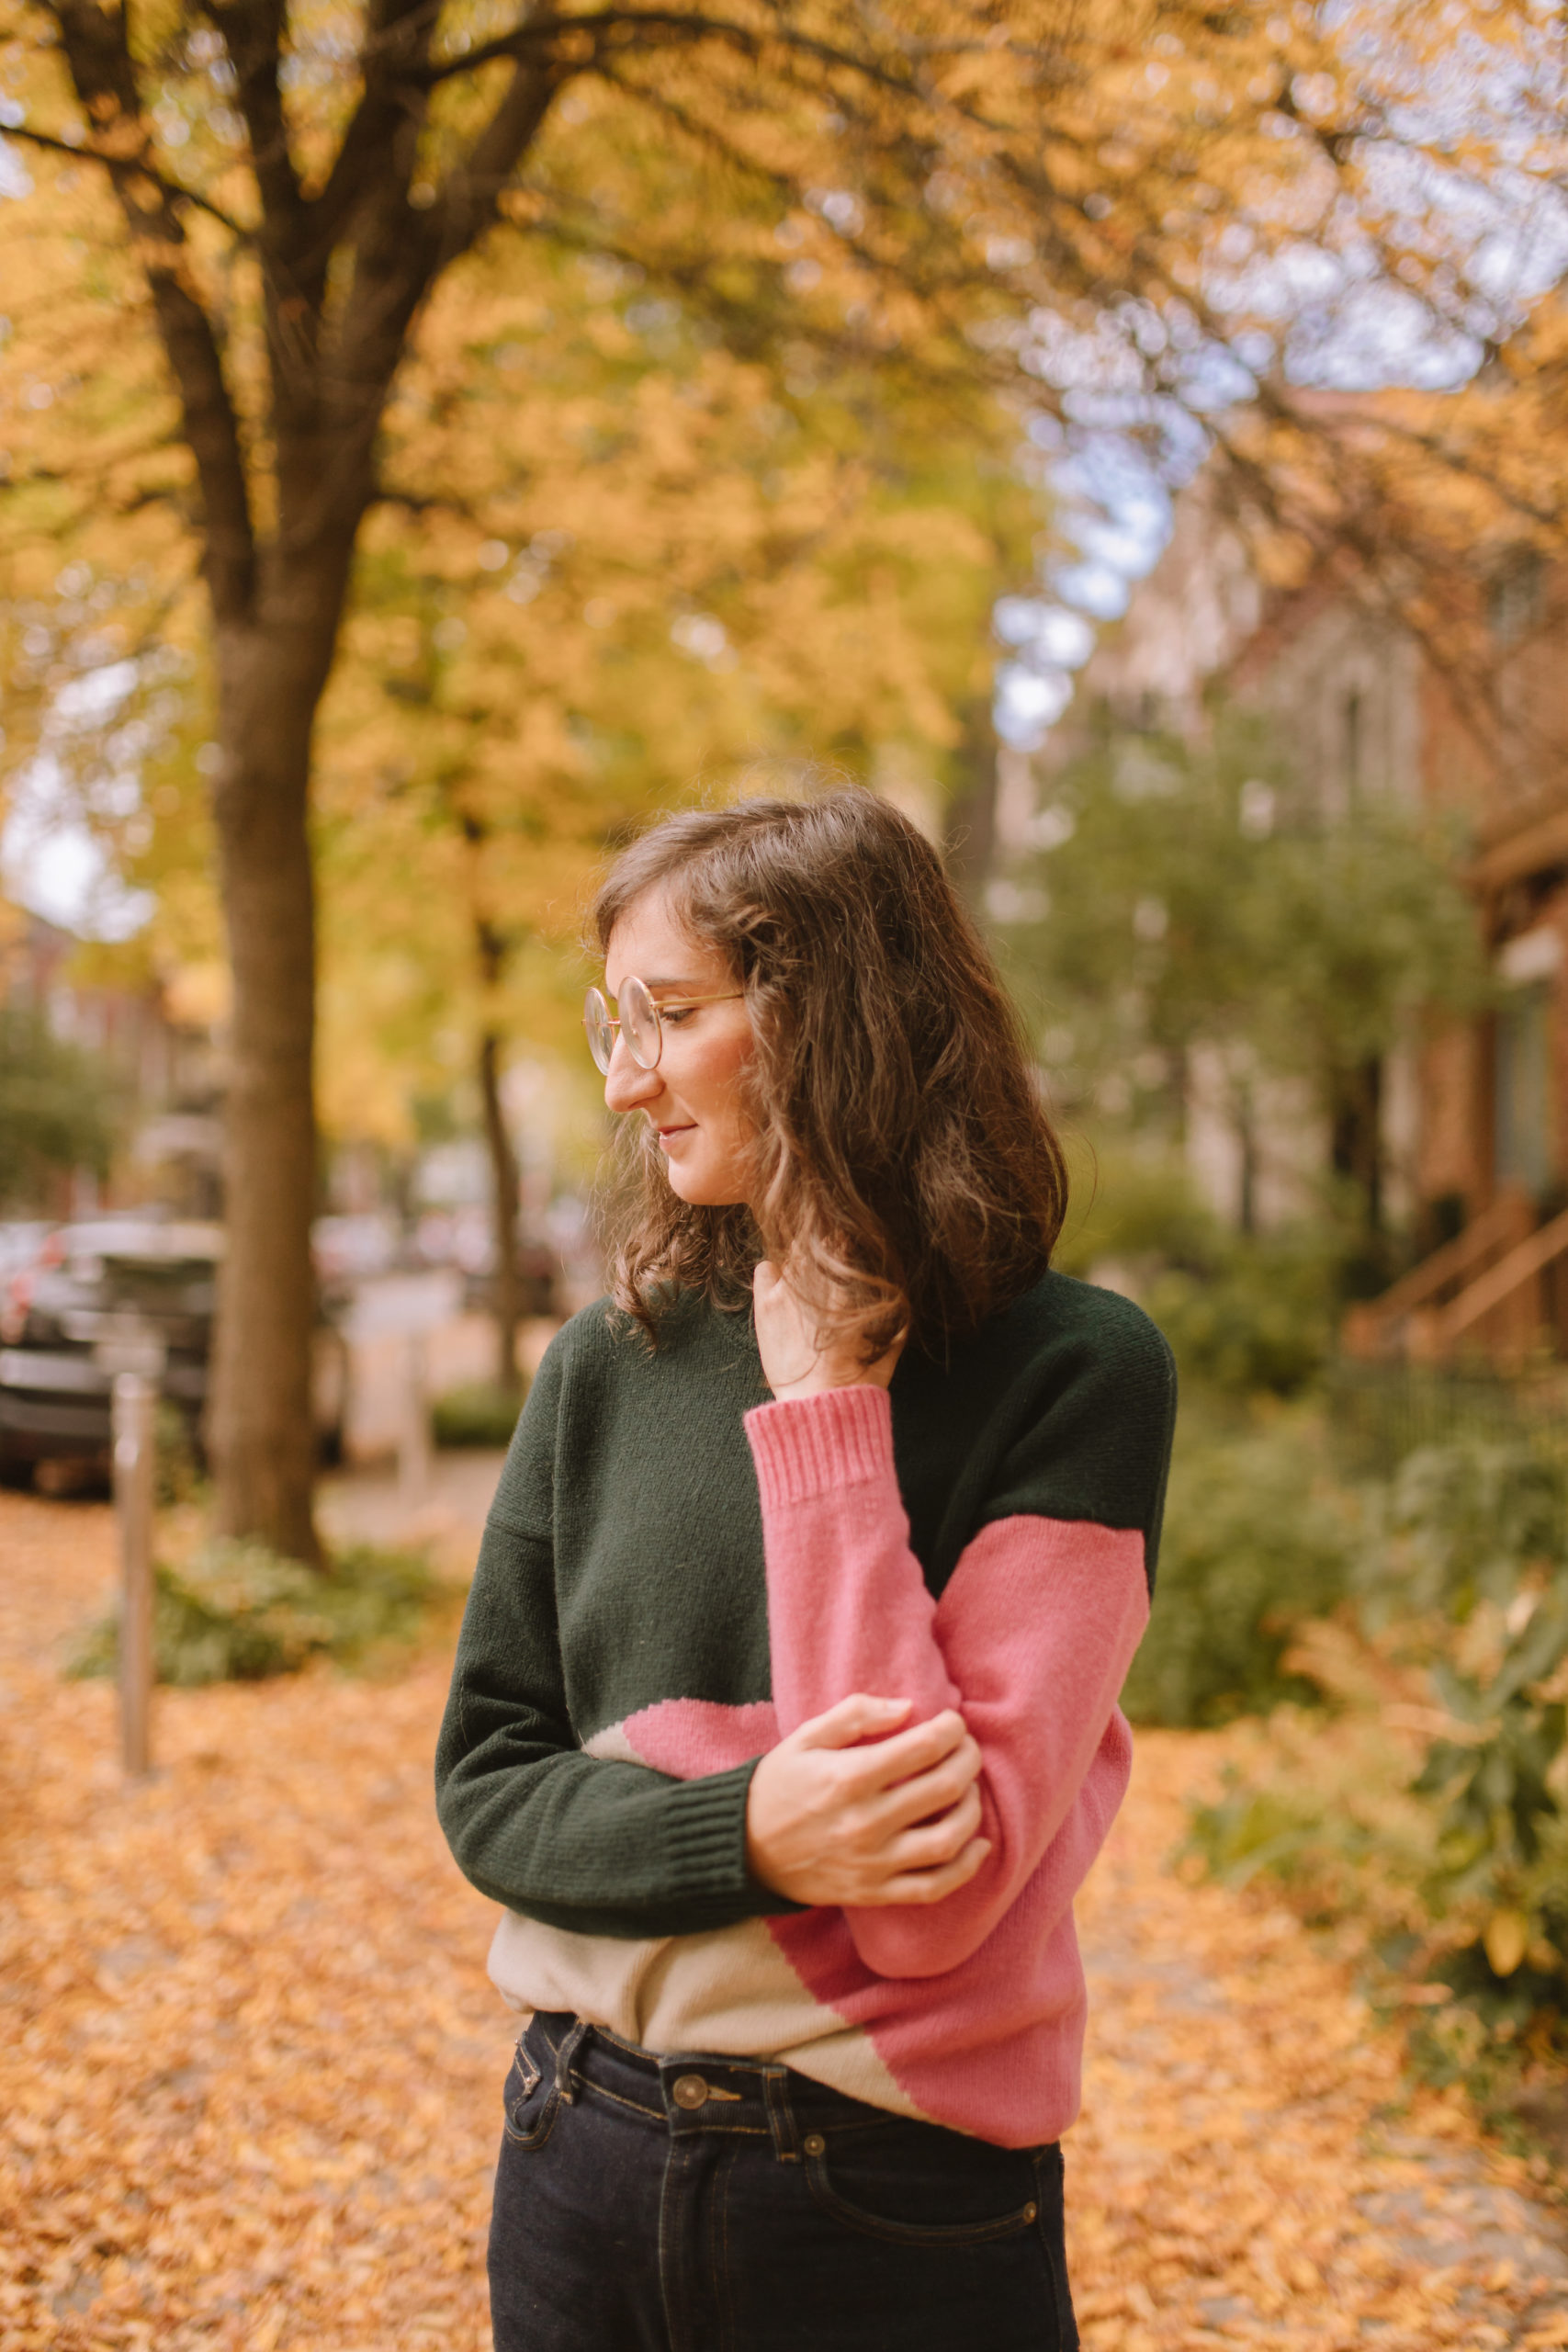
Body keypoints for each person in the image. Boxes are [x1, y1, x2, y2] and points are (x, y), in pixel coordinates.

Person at [435, 790, 1177, 2352]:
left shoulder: (1075, 1374)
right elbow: (490, 1785)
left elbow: (935, 1898)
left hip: (886, 2203)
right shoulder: (607, 1362)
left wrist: (830, 1416)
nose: (627, 1078)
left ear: (826, 1018)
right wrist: (749, 1831)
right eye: (612, 1022)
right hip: (571, 2150)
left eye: (673, 1015)